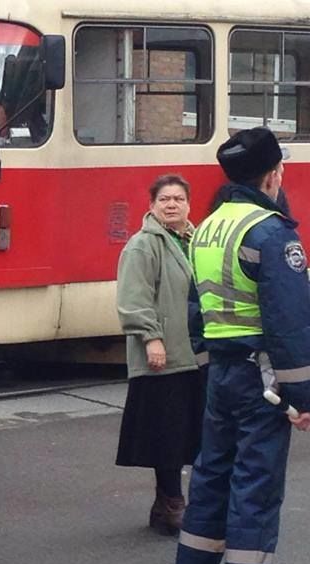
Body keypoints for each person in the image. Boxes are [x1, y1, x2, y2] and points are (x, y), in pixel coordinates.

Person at [172, 126, 310, 564]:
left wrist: (209, 364)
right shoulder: (271, 232)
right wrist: (302, 398)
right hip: (262, 376)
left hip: (223, 373)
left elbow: (195, 310)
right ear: (273, 173)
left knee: (210, 478)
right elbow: (290, 324)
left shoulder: (207, 228)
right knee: (255, 489)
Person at [116, 175, 206, 535]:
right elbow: (133, 299)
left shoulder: (196, 242)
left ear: (189, 204)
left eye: (179, 199)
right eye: (165, 199)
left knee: (186, 431)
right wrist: (151, 338)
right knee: (166, 434)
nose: (172, 205)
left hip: (193, 353)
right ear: (152, 205)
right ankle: (172, 502)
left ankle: (163, 504)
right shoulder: (143, 246)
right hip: (162, 354)